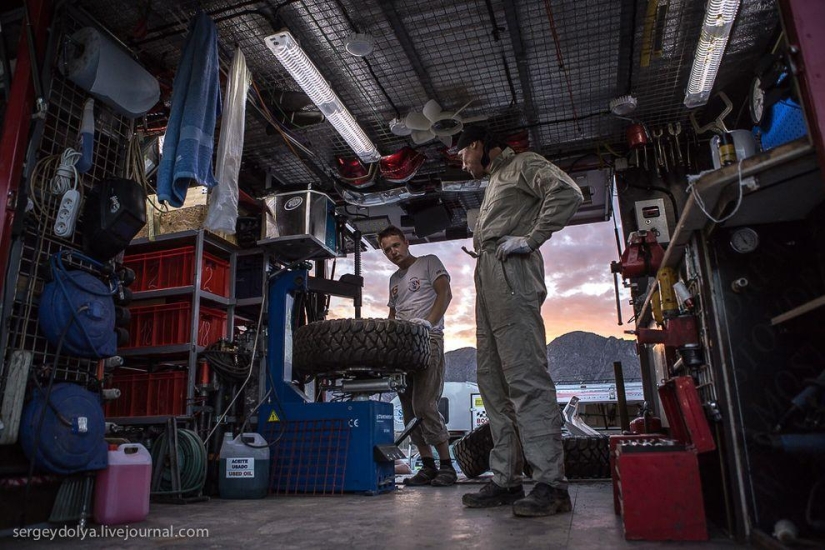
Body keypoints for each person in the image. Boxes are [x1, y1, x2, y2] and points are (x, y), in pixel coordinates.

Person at [455, 125, 583, 517]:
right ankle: (506, 479)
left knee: (525, 377)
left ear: (476, 145)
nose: (462, 165)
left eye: (462, 155)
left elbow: (567, 192)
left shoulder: (523, 164)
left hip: (512, 273)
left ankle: (550, 484)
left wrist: (532, 239)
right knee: (492, 383)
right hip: (489, 275)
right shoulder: (494, 182)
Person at [378, 225, 456, 487]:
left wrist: (430, 324)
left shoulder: (428, 262)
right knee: (409, 410)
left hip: (428, 339)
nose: (393, 252)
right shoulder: (393, 281)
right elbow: (392, 315)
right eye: (387, 249)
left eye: (395, 245)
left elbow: (445, 293)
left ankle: (447, 466)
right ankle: (428, 466)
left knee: (424, 405)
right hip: (402, 347)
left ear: (406, 242)